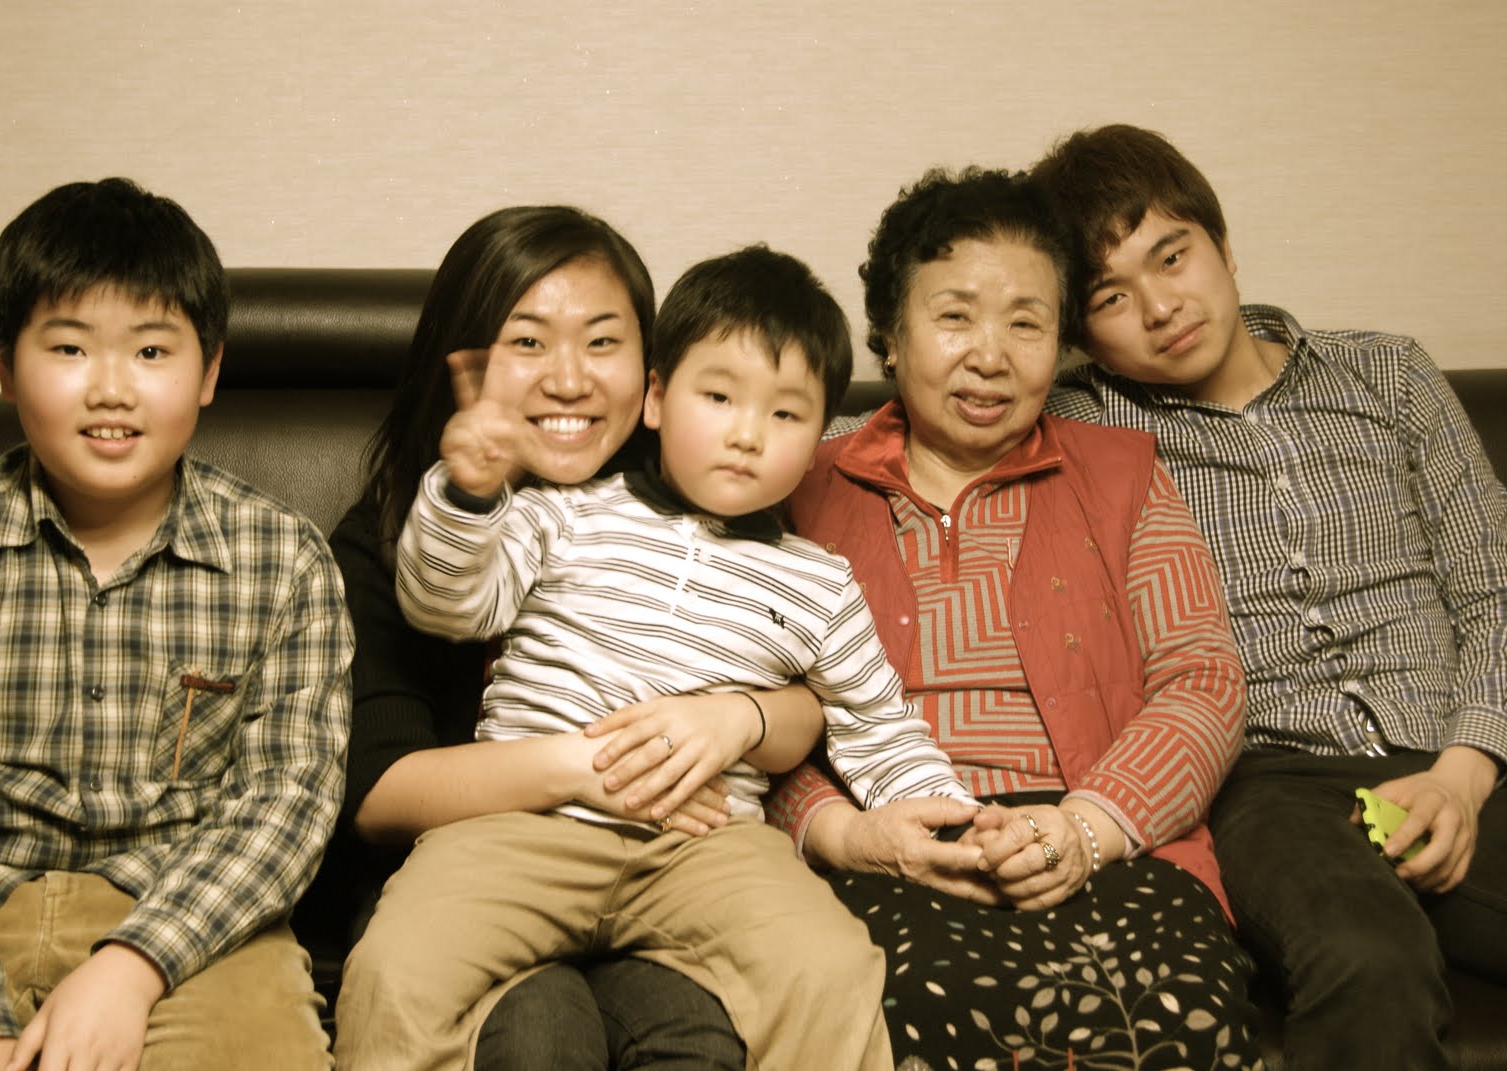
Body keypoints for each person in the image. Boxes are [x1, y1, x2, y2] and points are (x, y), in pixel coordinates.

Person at [338, 243, 980, 1071]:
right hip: (522, 830)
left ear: (821, 436)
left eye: (786, 415)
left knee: (828, 967)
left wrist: (950, 817)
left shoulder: (821, 583)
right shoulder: (564, 513)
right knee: (401, 967)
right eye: (718, 397)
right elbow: (449, 603)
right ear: (656, 399)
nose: (746, 434)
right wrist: (467, 494)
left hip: (705, 845)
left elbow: (876, 723)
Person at [768, 166, 1265, 1070]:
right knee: (910, 1011)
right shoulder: (800, 480)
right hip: (887, 846)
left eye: (1026, 324)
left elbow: (1203, 677)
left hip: (1110, 844)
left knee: (1176, 1021)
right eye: (955, 317)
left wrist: (1083, 828)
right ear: (890, 334)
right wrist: (850, 834)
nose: (991, 356)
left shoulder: (1121, 473)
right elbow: (739, 706)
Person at [1035, 123, 1507, 1068]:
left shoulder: (1390, 374)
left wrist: (1463, 771)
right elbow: (907, 416)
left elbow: (1493, 584)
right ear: (1081, 336)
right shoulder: (1085, 425)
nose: (1161, 307)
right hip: (1268, 784)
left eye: (1174, 256)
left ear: (1223, 244)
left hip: (1460, 746)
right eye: (1111, 298)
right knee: (1368, 957)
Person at [0, 178, 351, 1071]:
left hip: (192, 922)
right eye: (69, 348)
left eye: (151, 350)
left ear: (210, 370)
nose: (111, 389)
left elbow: (287, 801)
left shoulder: (284, 559)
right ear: (4, 364)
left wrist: (133, 965)